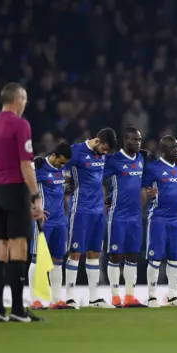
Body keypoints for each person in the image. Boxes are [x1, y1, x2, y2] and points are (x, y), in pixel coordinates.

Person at [0, 82, 42, 322]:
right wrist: (35, 194)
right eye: (24, 100)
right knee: (18, 248)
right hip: (15, 190)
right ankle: (17, 309)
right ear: (19, 100)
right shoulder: (21, 125)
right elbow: (26, 165)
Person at [64, 128, 118, 309]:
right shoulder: (76, 151)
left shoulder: (103, 156)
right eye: (105, 148)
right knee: (75, 252)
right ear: (98, 140)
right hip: (80, 209)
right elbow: (56, 164)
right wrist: (65, 183)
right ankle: (69, 297)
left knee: (95, 252)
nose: (105, 152)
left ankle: (94, 298)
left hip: (97, 210)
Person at [103, 127, 154, 307]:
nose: (137, 143)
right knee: (116, 256)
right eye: (133, 140)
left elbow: (146, 181)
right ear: (124, 141)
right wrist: (104, 199)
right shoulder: (113, 160)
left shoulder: (142, 159)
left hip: (135, 216)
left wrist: (150, 189)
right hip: (118, 216)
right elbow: (98, 179)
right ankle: (115, 295)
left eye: (139, 140)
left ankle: (130, 296)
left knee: (133, 256)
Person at [142, 136, 177, 308]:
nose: (176, 150)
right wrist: (148, 192)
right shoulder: (153, 168)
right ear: (163, 149)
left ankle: (173, 295)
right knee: (155, 258)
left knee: (174, 259)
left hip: (176, 220)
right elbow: (143, 187)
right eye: (171, 147)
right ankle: (152, 296)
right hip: (158, 218)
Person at [28, 143, 72, 310]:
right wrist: (32, 207)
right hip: (43, 221)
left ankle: (56, 299)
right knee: (37, 258)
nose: (62, 166)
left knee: (58, 259)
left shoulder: (62, 168)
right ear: (53, 155)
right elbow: (24, 181)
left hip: (60, 220)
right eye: (60, 162)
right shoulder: (38, 167)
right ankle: (35, 300)